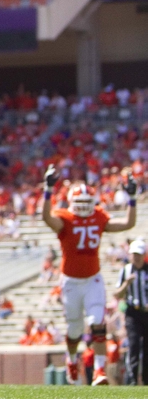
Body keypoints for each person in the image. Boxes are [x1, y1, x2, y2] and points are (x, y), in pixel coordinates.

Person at [41, 165, 137, 386]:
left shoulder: (99, 217)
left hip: (93, 279)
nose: (84, 207)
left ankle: (99, 371)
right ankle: (72, 359)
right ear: (72, 203)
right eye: (80, 203)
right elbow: (47, 218)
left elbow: (128, 223)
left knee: (98, 322)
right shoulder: (64, 218)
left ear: (94, 203)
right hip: (71, 283)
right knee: (74, 330)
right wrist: (47, 190)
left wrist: (132, 197)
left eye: (87, 203)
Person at [113, 239, 148, 385]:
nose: (136, 257)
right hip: (132, 313)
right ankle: (132, 379)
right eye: (134, 254)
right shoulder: (126, 271)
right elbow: (117, 295)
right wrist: (126, 283)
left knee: (146, 347)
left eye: (139, 254)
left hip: (146, 313)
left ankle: (146, 380)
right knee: (133, 345)